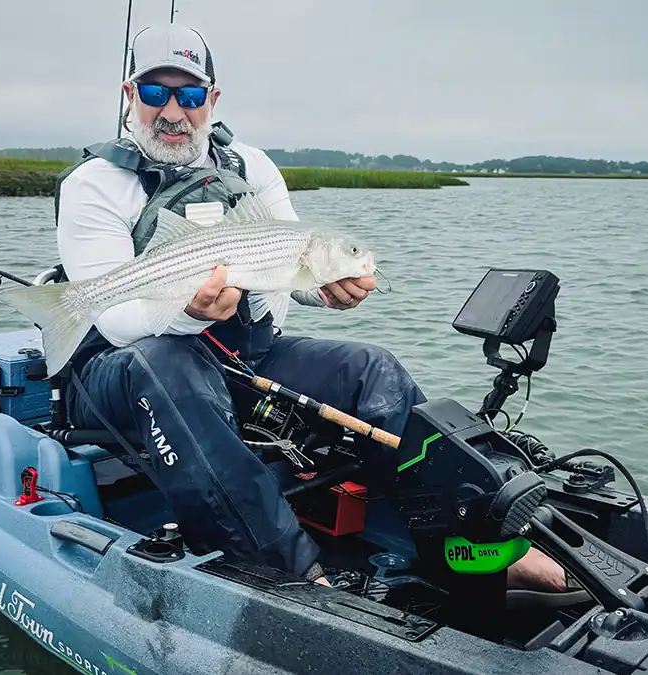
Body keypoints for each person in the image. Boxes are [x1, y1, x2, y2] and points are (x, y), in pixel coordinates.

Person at [55, 23, 571, 594]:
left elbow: (284, 269)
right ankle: (295, 573)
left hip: (241, 359)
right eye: (156, 93)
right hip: (123, 372)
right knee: (167, 366)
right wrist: (190, 315)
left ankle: (470, 540)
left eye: (191, 94)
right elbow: (117, 322)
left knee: (373, 369)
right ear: (131, 96)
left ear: (213, 99)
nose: (173, 111)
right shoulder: (93, 184)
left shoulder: (251, 166)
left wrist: (321, 289)